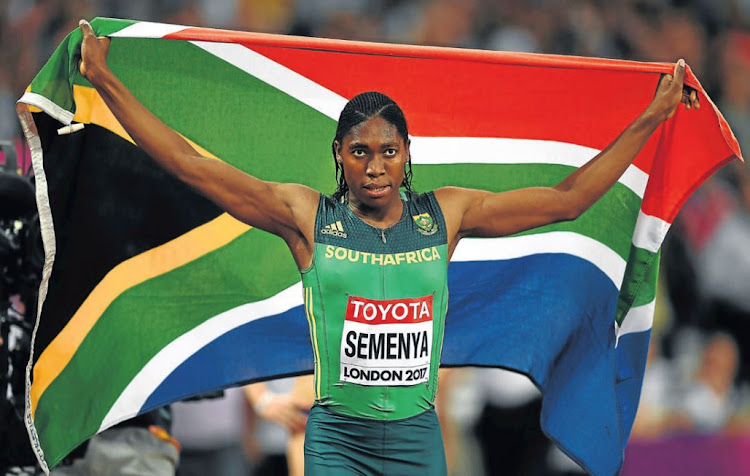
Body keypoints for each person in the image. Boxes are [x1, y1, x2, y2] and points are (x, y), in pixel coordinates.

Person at [77, 18, 699, 475]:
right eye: (359, 152)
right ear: (339, 159)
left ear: (407, 157)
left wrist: (649, 117)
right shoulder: (305, 218)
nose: (374, 166)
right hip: (335, 441)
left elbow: (566, 200)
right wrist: (105, 80)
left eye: (388, 151)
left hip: (415, 440)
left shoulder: (446, 216)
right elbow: (190, 164)